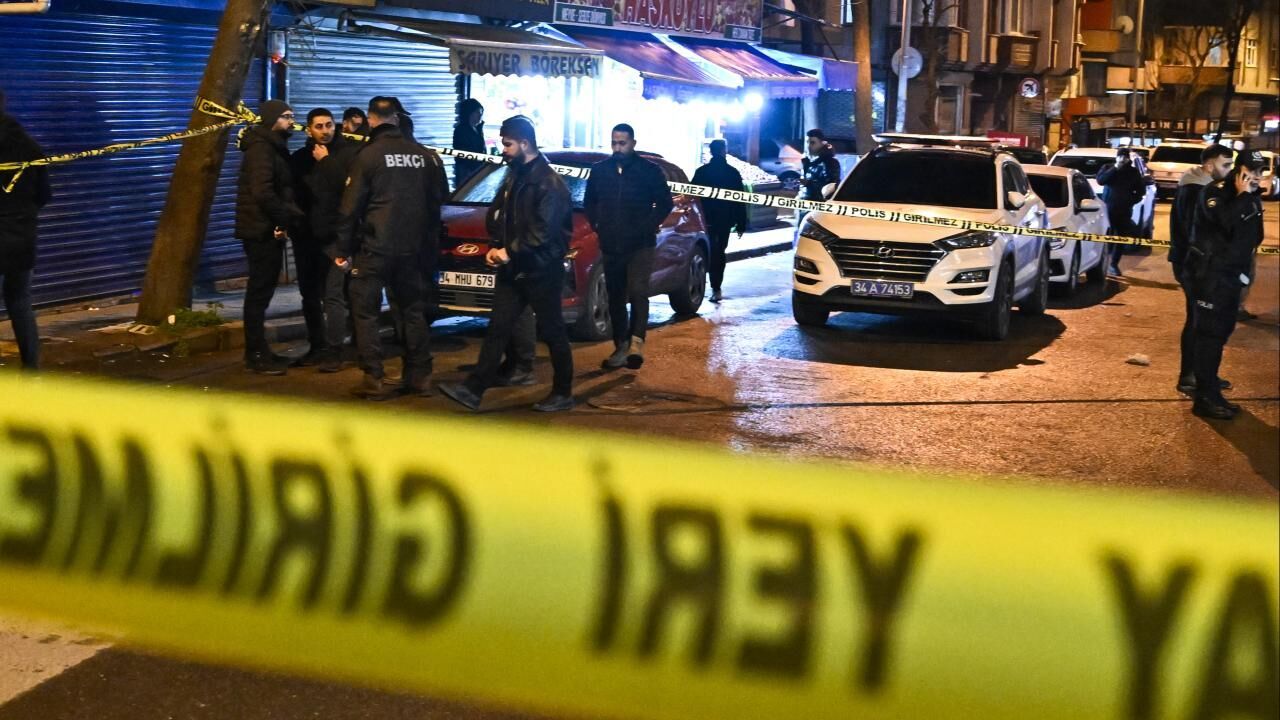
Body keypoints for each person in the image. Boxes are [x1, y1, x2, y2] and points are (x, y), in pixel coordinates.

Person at [439, 116, 575, 413]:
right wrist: (496, 246)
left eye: (508, 144)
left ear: (525, 143)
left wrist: (509, 252)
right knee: (498, 328)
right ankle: (473, 390)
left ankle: (563, 392)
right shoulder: (517, 175)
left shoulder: (548, 183)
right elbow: (502, 215)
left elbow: (542, 233)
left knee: (553, 331)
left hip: (541, 270)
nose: (504, 150)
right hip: (516, 268)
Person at [334, 97, 449, 400]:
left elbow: (349, 208)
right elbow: (439, 200)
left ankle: (373, 378)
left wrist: (342, 249)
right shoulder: (424, 156)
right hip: (414, 250)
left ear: (371, 120)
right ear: (396, 119)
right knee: (412, 311)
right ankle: (420, 376)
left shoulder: (368, 155)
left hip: (375, 247)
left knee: (366, 312)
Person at [584, 123, 673, 370]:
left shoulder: (649, 171)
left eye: (622, 143)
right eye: (614, 143)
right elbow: (590, 202)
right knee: (615, 296)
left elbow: (665, 203)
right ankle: (620, 346)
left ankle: (636, 343)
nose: (617, 148)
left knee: (637, 291)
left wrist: (648, 226)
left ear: (633, 143)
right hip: (611, 243)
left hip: (640, 244)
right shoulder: (600, 171)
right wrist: (598, 225)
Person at [1186, 152, 1266, 420]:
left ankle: (1212, 391)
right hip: (1210, 276)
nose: (1257, 176)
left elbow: (1254, 235)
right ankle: (1204, 398)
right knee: (1208, 336)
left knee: (1220, 333)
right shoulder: (1217, 193)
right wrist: (1242, 197)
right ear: (1239, 170)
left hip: (1231, 276)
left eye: (1260, 171)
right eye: (1252, 171)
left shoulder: (1251, 195)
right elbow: (1225, 222)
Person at [235, 99, 304, 375]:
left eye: (291, 115)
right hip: (260, 229)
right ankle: (255, 354)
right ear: (272, 119)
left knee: (262, 291)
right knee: (259, 292)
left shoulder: (273, 146)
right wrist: (282, 218)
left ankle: (260, 350)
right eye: (286, 116)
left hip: (265, 226)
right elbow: (262, 191)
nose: (291, 121)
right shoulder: (262, 149)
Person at [289, 107, 360, 371]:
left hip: (335, 237)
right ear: (309, 129)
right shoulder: (300, 158)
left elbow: (350, 192)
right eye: (319, 126)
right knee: (309, 294)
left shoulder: (347, 155)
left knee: (334, 295)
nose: (325, 131)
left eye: (329, 125)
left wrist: (327, 162)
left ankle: (336, 349)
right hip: (306, 236)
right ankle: (317, 346)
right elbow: (292, 194)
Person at [1169, 144, 1234, 397]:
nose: (1229, 170)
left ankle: (1202, 374)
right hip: (1195, 265)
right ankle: (1189, 376)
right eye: (1225, 165)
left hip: (1199, 264)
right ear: (1208, 165)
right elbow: (1195, 232)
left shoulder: (1201, 187)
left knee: (1204, 320)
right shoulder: (1195, 191)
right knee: (1197, 320)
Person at [0, 89, 51, 371]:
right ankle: (32, 368)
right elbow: (44, 195)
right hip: (21, 237)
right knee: (20, 301)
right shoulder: (29, 146)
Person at [690, 139, 747, 303]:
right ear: (724, 151)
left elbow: (693, 196)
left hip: (705, 219)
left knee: (707, 251)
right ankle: (716, 287)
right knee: (719, 252)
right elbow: (739, 199)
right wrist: (741, 223)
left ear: (711, 152)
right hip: (724, 219)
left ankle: (706, 283)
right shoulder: (732, 173)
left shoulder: (702, 172)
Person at [1095, 147, 1146, 276]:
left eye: (1124, 157)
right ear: (1116, 157)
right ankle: (1101, 263)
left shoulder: (1133, 172)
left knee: (1120, 237)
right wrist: (1115, 168)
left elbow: (1141, 191)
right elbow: (1101, 181)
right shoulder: (1108, 168)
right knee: (1106, 237)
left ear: (1128, 158)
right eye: (1120, 156)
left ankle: (1114, 264)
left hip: (1124, 210)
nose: (1122, 159)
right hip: (1108, 209)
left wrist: (1130, 201)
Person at [453, 98, 487, 188]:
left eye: (481, 113)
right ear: (469, 113)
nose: (480, 116)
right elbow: (462, 155)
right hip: (467, 174)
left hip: (478, 172)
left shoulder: (478, 129)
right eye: (477, 113)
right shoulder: (461, 131)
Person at [800, 129, 841, 202]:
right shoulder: (807, 161)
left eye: (812, 143)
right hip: (804, 202)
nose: (809, 146)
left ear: (822, 143)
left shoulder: (830, 162)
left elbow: (831, 187)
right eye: (807, 142)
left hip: (818, 203)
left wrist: (809, 183)